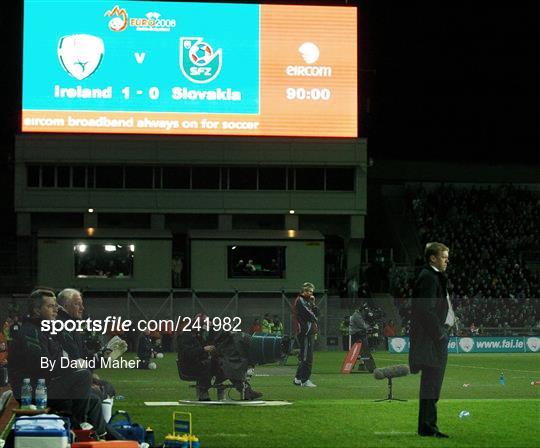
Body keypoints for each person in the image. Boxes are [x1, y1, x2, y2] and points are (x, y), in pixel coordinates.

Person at [8, 289, 121, 440]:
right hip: (34, 391)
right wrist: (72, 365)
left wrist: (99, 358)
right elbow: (44, 365)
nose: (56, 309)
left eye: (55, 306)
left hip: (46, 386)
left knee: (93, 400)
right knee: (83, 376)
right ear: (36, 310)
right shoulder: (31, 332)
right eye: (50, 306)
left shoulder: (45, 331)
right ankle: (78, 424)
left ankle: (105, 438)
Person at [409, 242, 455, 438]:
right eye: (444, 257)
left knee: (431, 385)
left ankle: (427, 426)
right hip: (432, 340)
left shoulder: (432, 276)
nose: (447, 260)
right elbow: (424, 310)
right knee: (431, 384)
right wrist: (439, 334)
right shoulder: (429, 277)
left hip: (433, 339)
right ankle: (428, 427)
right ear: (433, 258)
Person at [177, 314, 262, 401]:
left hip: (199, 362)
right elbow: (186, 354)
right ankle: (204, 391)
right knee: (210, 364)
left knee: (226, 364)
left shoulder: (199, 334)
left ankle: (245, 389)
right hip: (189, 365)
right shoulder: (187, 336)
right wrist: (203, 349)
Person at [292, 282, 319, 387]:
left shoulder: (307, 301)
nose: (309, 293)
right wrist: (314, 314)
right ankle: (305, 380)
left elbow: (317, 312)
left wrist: (313, 304)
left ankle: (298, 379)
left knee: (305, 356)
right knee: (307, 357)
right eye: (307, 291)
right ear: (302, 291)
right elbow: (312, 315)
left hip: (308, 332)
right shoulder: (301, 300)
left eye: (311, 291)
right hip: (305, 332)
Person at [349, 307, 376, 372]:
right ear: (362, 310)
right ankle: (371, 368)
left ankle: (357, 366)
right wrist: (369, 326)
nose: (365, 313)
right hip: (358, 335)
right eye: (365, 311)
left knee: (357, 352)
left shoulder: (356, 315)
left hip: (357, 335)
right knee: (365, 351)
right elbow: (363, 326)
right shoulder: (357, 316)